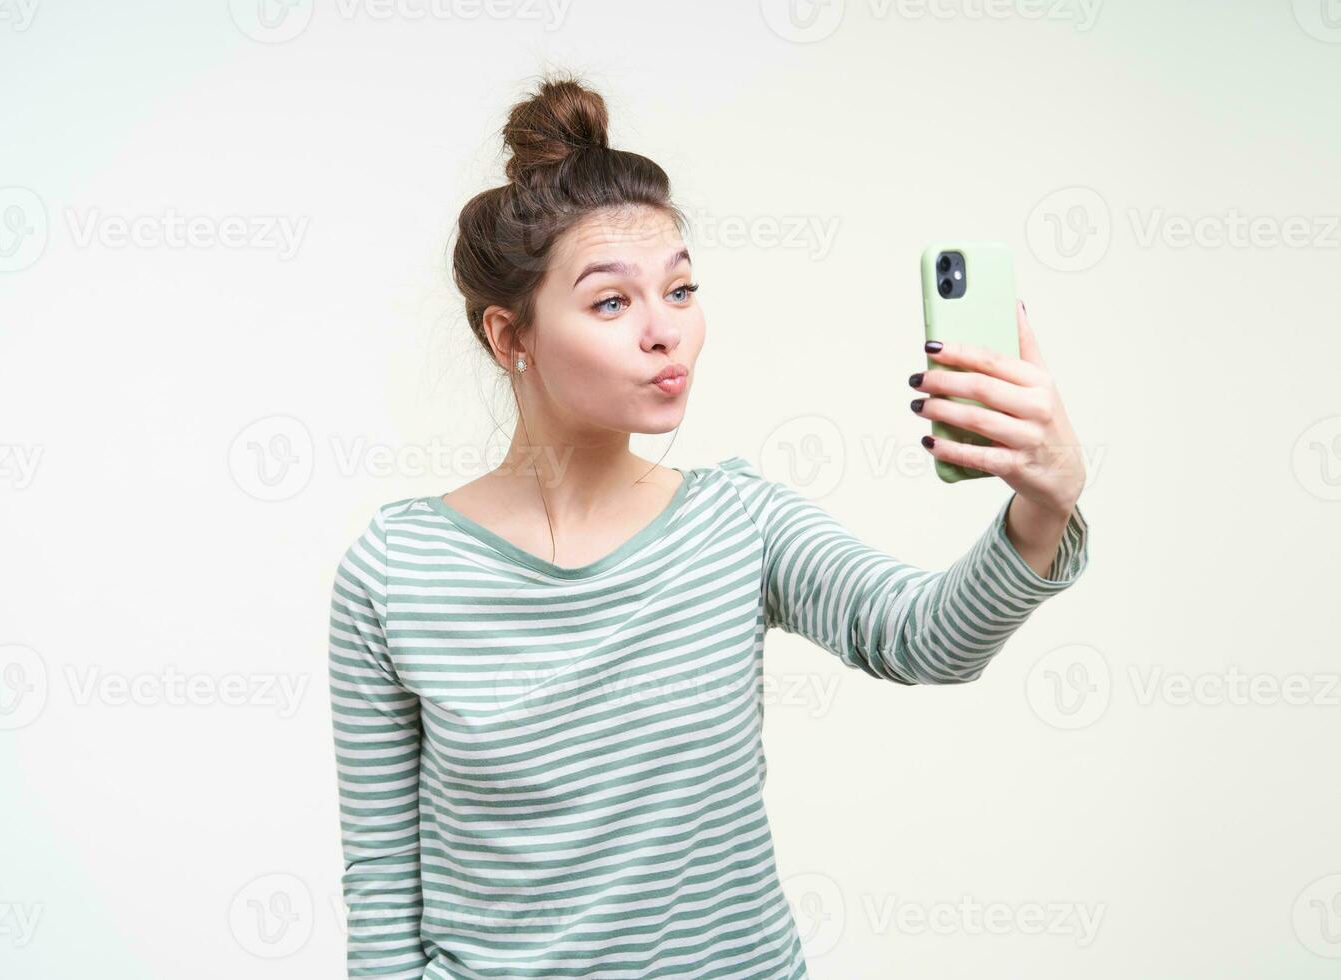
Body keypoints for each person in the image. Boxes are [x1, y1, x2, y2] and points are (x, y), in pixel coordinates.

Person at [328, 72, 1091, 979]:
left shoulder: (737, 522)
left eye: (681, 291)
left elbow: (924, 639)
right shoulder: (396, 572)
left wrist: (1044, 503)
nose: (667, 333)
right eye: (613, 302)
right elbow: (381, 890)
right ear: (509, 337)